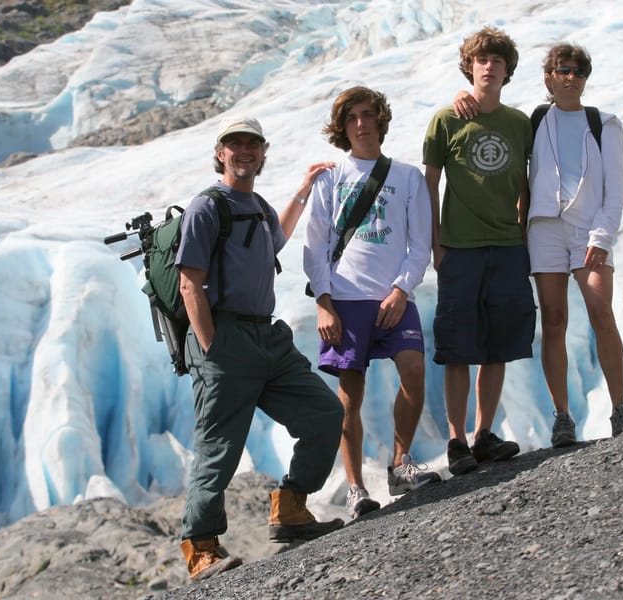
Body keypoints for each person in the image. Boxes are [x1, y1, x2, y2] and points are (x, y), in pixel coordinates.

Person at [175, 116, 345, 581]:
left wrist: (304, 190)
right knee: (219, 449)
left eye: (252, 144)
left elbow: (277, 238)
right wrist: (212, 349)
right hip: (225, 337)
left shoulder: (258, 205)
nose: (244, 152)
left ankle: (289, 507)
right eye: (235, 145)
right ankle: (201, 547)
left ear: (263, 152)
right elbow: (190, 284)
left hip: (268, 338)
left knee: (325, 415)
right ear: (220, 153)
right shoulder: (206, 208)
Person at [453, 43, 623, 446]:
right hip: (545, 231)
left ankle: (620, 408)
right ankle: (562, 416)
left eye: (578, 71)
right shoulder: (534, 121)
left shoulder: (604, 124)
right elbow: (492, 122)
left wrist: (602, 237)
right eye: (562, 70)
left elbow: (616, 190)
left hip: (589, 230)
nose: (570, 77)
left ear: (585, 78)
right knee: (553, 321)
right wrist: (462, 97)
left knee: (601, 312)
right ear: (548, 78)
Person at [304, 86, 440, 519]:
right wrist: (324, 302)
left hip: (392, 295)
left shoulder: (407, 178)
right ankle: (358, 489)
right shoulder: (331, 178)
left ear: (381, 119)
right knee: (349, 395)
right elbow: (314, 246)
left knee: (414, 370)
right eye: (352, 118)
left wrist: (402, 289)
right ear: (343, 128)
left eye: (368, 115)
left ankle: (401, 463)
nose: (361, 124)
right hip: (345, 298)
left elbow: (421, 244)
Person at [422, 27, 535, 477]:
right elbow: (429, 185)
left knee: (497, 345)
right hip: (461, 249)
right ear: (469, 66)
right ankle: (456, 440)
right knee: (457, 348)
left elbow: (528, 185)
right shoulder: (446, 119)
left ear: (507, 70)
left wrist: (523, 235)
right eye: (481, 59)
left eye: (497, 60)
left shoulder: (519, 123)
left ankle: (484, 435)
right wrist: (436, 243)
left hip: (507, 247)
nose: (489, 66)